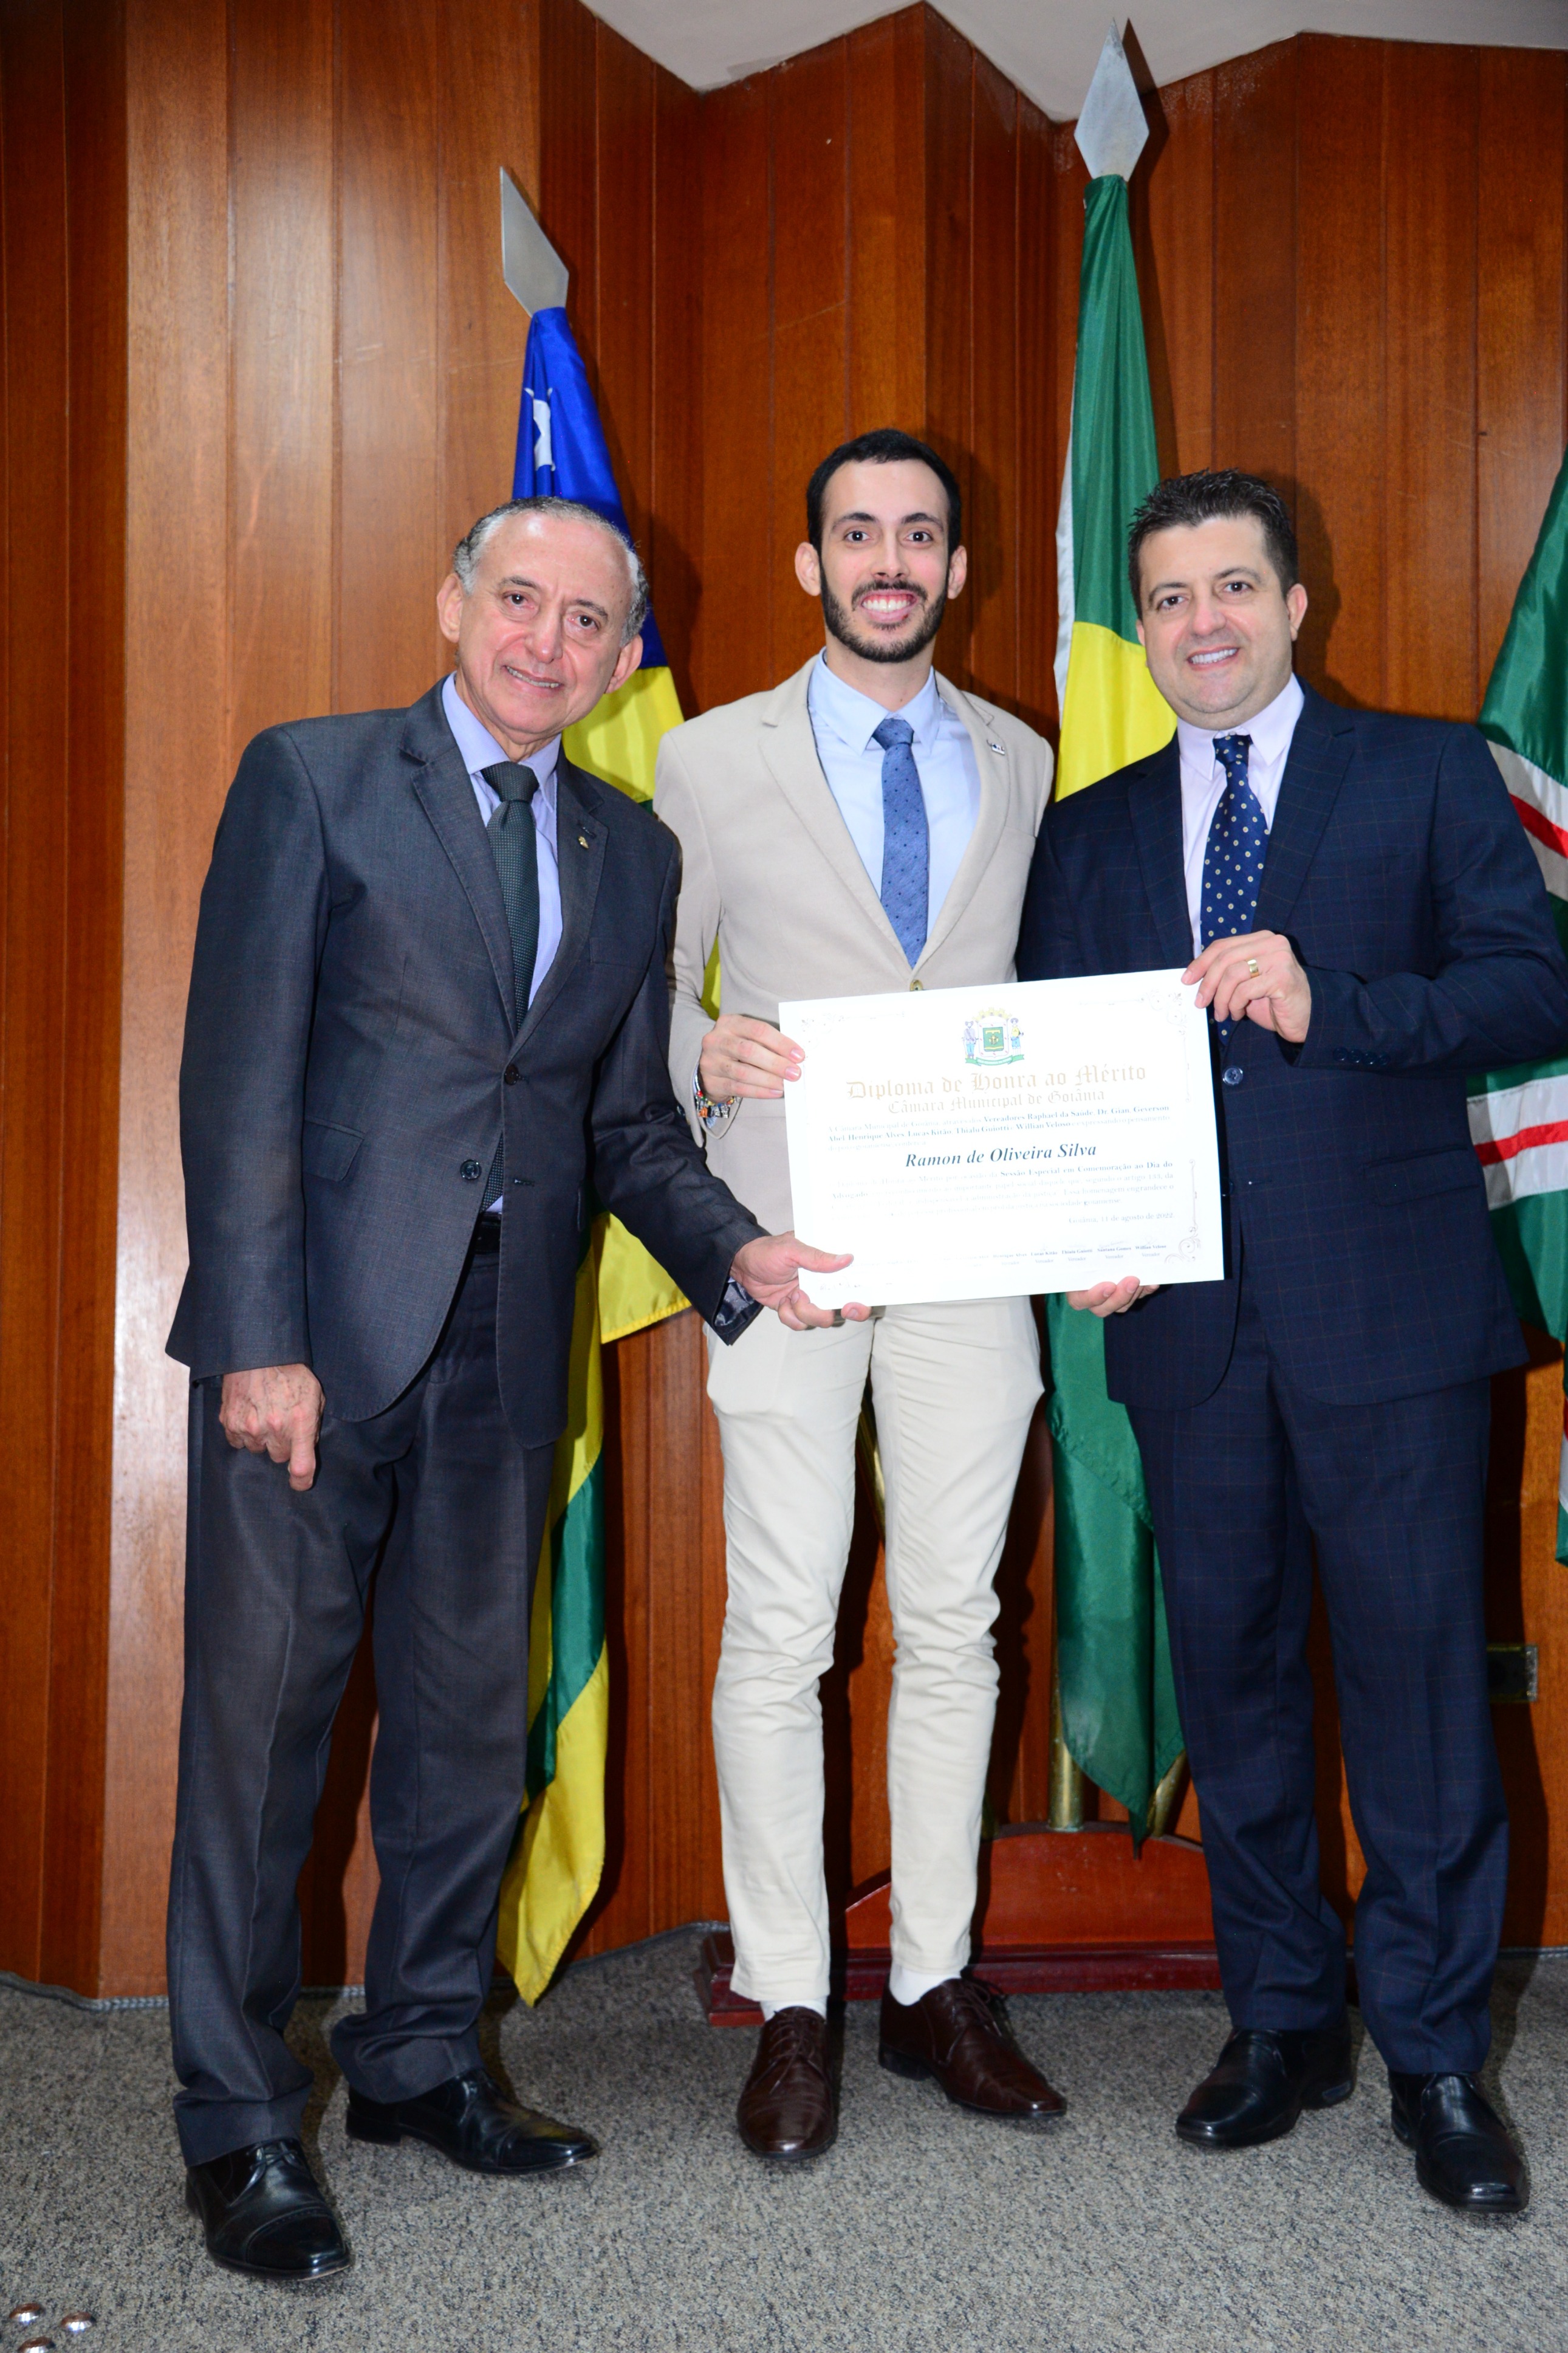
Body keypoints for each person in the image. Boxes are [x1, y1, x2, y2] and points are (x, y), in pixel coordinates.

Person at [166, 495, 849, 2281]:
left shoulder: (632, 851)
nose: (550, 641)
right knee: (262, 1744)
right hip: (315, 1344)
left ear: (621, 659)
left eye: (588, 621)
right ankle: (238, 2125)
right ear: (453, 601)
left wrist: (736, 1253)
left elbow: (624, 1124)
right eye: (521, 599)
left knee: (470, 1739)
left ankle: (415, 2060)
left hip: (506, 1345)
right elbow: (237, 1073)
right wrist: (255, 1339)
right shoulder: (315, 778)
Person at [1018, 467, 1568, 2217]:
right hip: (1187, 1333)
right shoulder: (1092, 827)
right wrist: (1076, 1228)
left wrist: (1341, 1006)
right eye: (1171, 598)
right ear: (1144, 623)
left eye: (1234, 588)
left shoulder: (1425, 772)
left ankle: (1433, 2054)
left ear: (1294, 602)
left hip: (1392, 1319)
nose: (1205, 624)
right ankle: (1280, 2021)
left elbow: (1534, 985)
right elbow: (1051, 1062)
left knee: (1420, 1697)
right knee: (1239, 1689)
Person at [654, 428, 1061, 2162]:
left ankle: (935, 1982)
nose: (889, 560)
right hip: (786, 1247)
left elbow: (1036, 1002)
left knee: (959, 1625)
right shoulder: (703, 756)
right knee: (781, 1629)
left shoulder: (1027, 759)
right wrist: (700, 1047)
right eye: (857, 533)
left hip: (971, 1249)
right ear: (810, 564)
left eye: (920, 535)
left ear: (957, 568)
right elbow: (641, 987)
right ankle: (792, 1998)